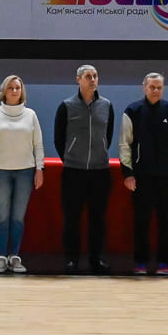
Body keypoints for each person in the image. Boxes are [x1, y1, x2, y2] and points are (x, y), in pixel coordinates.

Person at [119, 73, 168, 275]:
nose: (156, 90)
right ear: (144, 87)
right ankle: (140, 262)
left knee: (167, 221)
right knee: (141, 221)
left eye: (159, 87)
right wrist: (128, 173)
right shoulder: (133, 111)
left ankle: (164, 263)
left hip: (167, 176)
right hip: (141, 177)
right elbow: (125, 144)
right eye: (152, 87)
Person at [54, 64, 115, 274]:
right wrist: (70, 157)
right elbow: (59, 138)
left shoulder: (106, 105)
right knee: (72, 218)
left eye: (95, 76)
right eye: (88, 76)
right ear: (78, 79)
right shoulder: (66, 106)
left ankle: (96, 259)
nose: (92, 80)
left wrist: (99, 154)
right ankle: (71, 259)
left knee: (98, 218)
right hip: (73, 171)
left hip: (100, 171)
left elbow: (108, 135)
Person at [0, 75, 45, 274]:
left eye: (18, 88)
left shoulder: (31, 115)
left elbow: (38, 144)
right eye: (11, 88)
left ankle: (14, 256)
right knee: (2, 216)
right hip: (0, 171)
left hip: (25, 171)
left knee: (18, 217)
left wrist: (39, 169)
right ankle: (1, 257)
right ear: (4, 91)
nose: (15, 91)